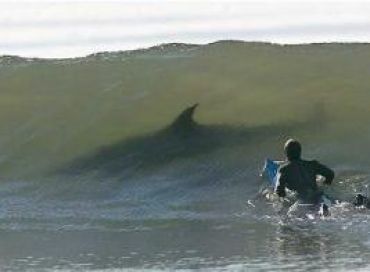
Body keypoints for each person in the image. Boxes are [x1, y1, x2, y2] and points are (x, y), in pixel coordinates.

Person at [275, 139, 334, 207]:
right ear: (300, 152)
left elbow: (279, 191)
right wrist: (324, 186)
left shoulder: (284, 170)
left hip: (302, 200)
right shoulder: (312, 164)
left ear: (286, 153)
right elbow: (330, 174)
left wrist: (286, 203)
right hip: (317, 196)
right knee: (321, 203)